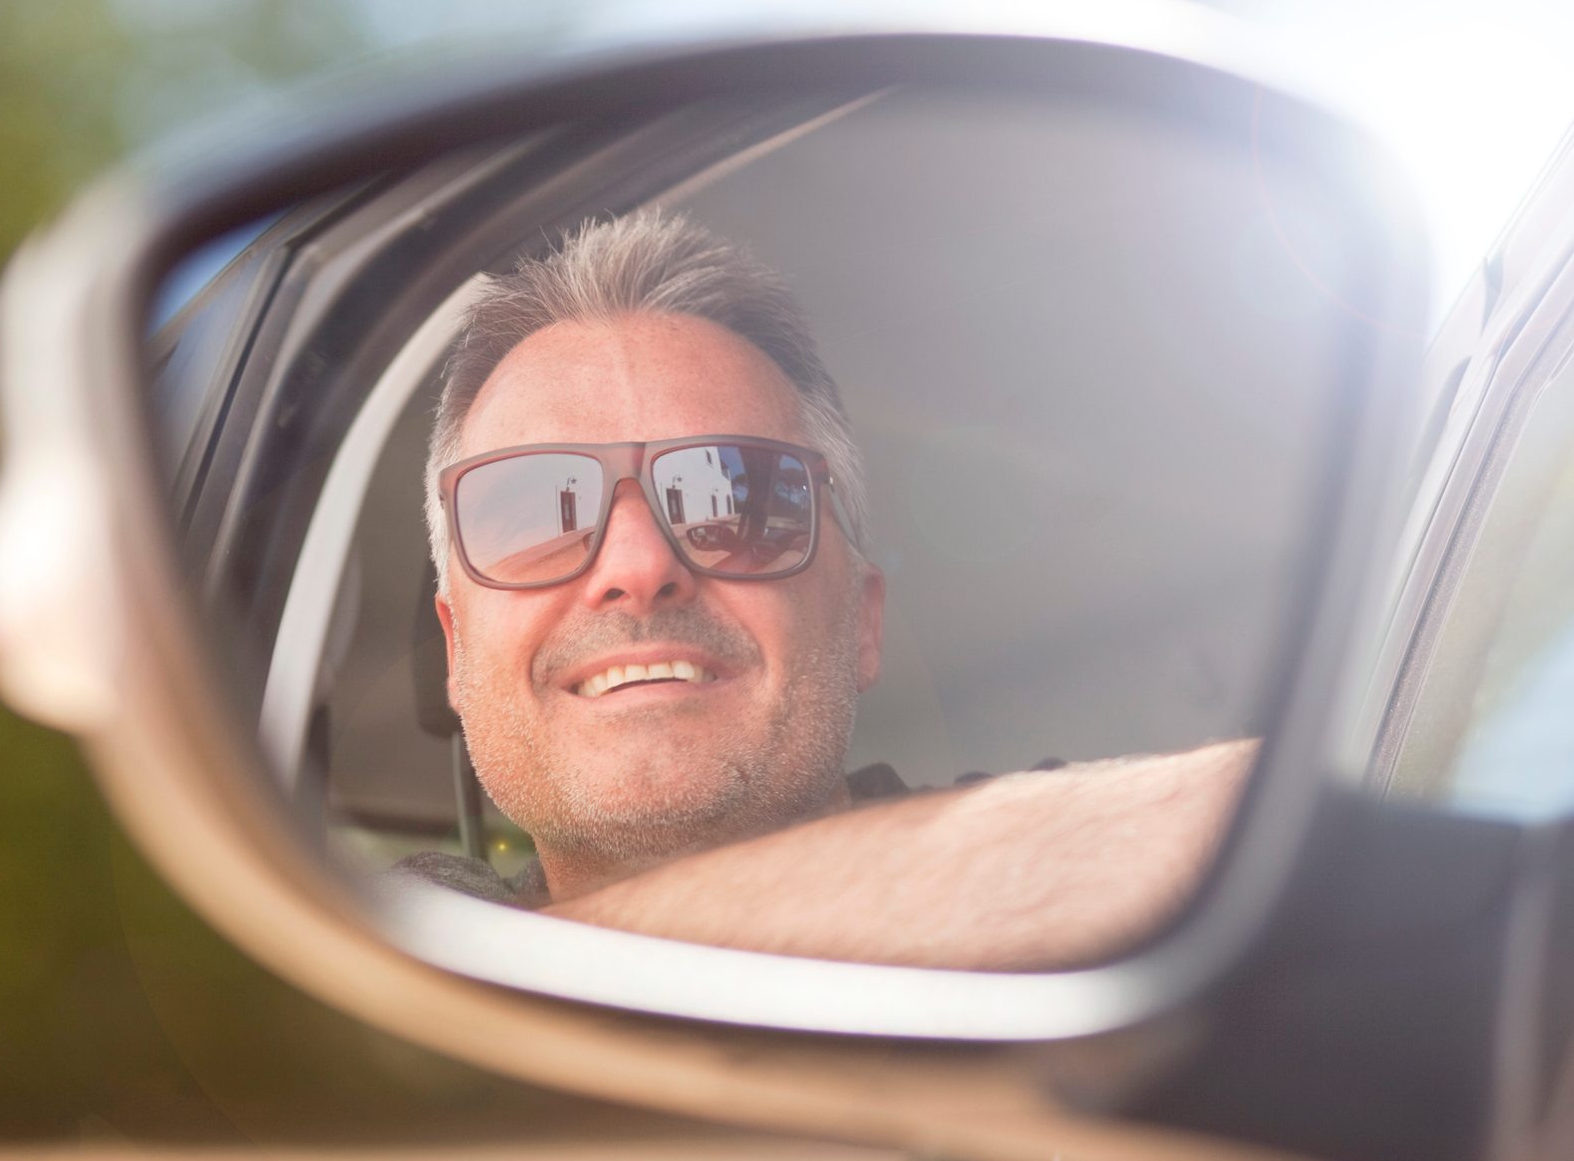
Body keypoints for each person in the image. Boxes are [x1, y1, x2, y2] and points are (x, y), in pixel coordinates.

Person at [407, 209, 1256, 970]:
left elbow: (1254, 823)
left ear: (862, 622)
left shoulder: (1074, 861)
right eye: (533, 513)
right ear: (455, 648)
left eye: (734, 499)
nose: (636, 565)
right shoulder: (377, 945)